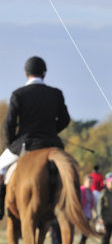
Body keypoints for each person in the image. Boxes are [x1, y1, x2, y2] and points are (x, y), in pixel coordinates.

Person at [0, 56, 70, 219]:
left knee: (0, 167)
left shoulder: (18, 94)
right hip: (53, 144)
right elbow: (65, 120)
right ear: (44, 73)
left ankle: (1, 210)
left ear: (26, 73)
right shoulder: (56, 93)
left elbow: (8, 125)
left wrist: (13, 144)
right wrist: (53, 131)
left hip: (26, 145)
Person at [77, 175, 95, 244]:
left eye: (91, 181)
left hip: (88, 214)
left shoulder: (90, 192)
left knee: (86, 234)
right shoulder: (81, 190)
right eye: (89, 181)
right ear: (84, 182)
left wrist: (91, 215)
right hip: (82, 214)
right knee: (84, 233)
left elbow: (91, 204)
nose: (91, 183)